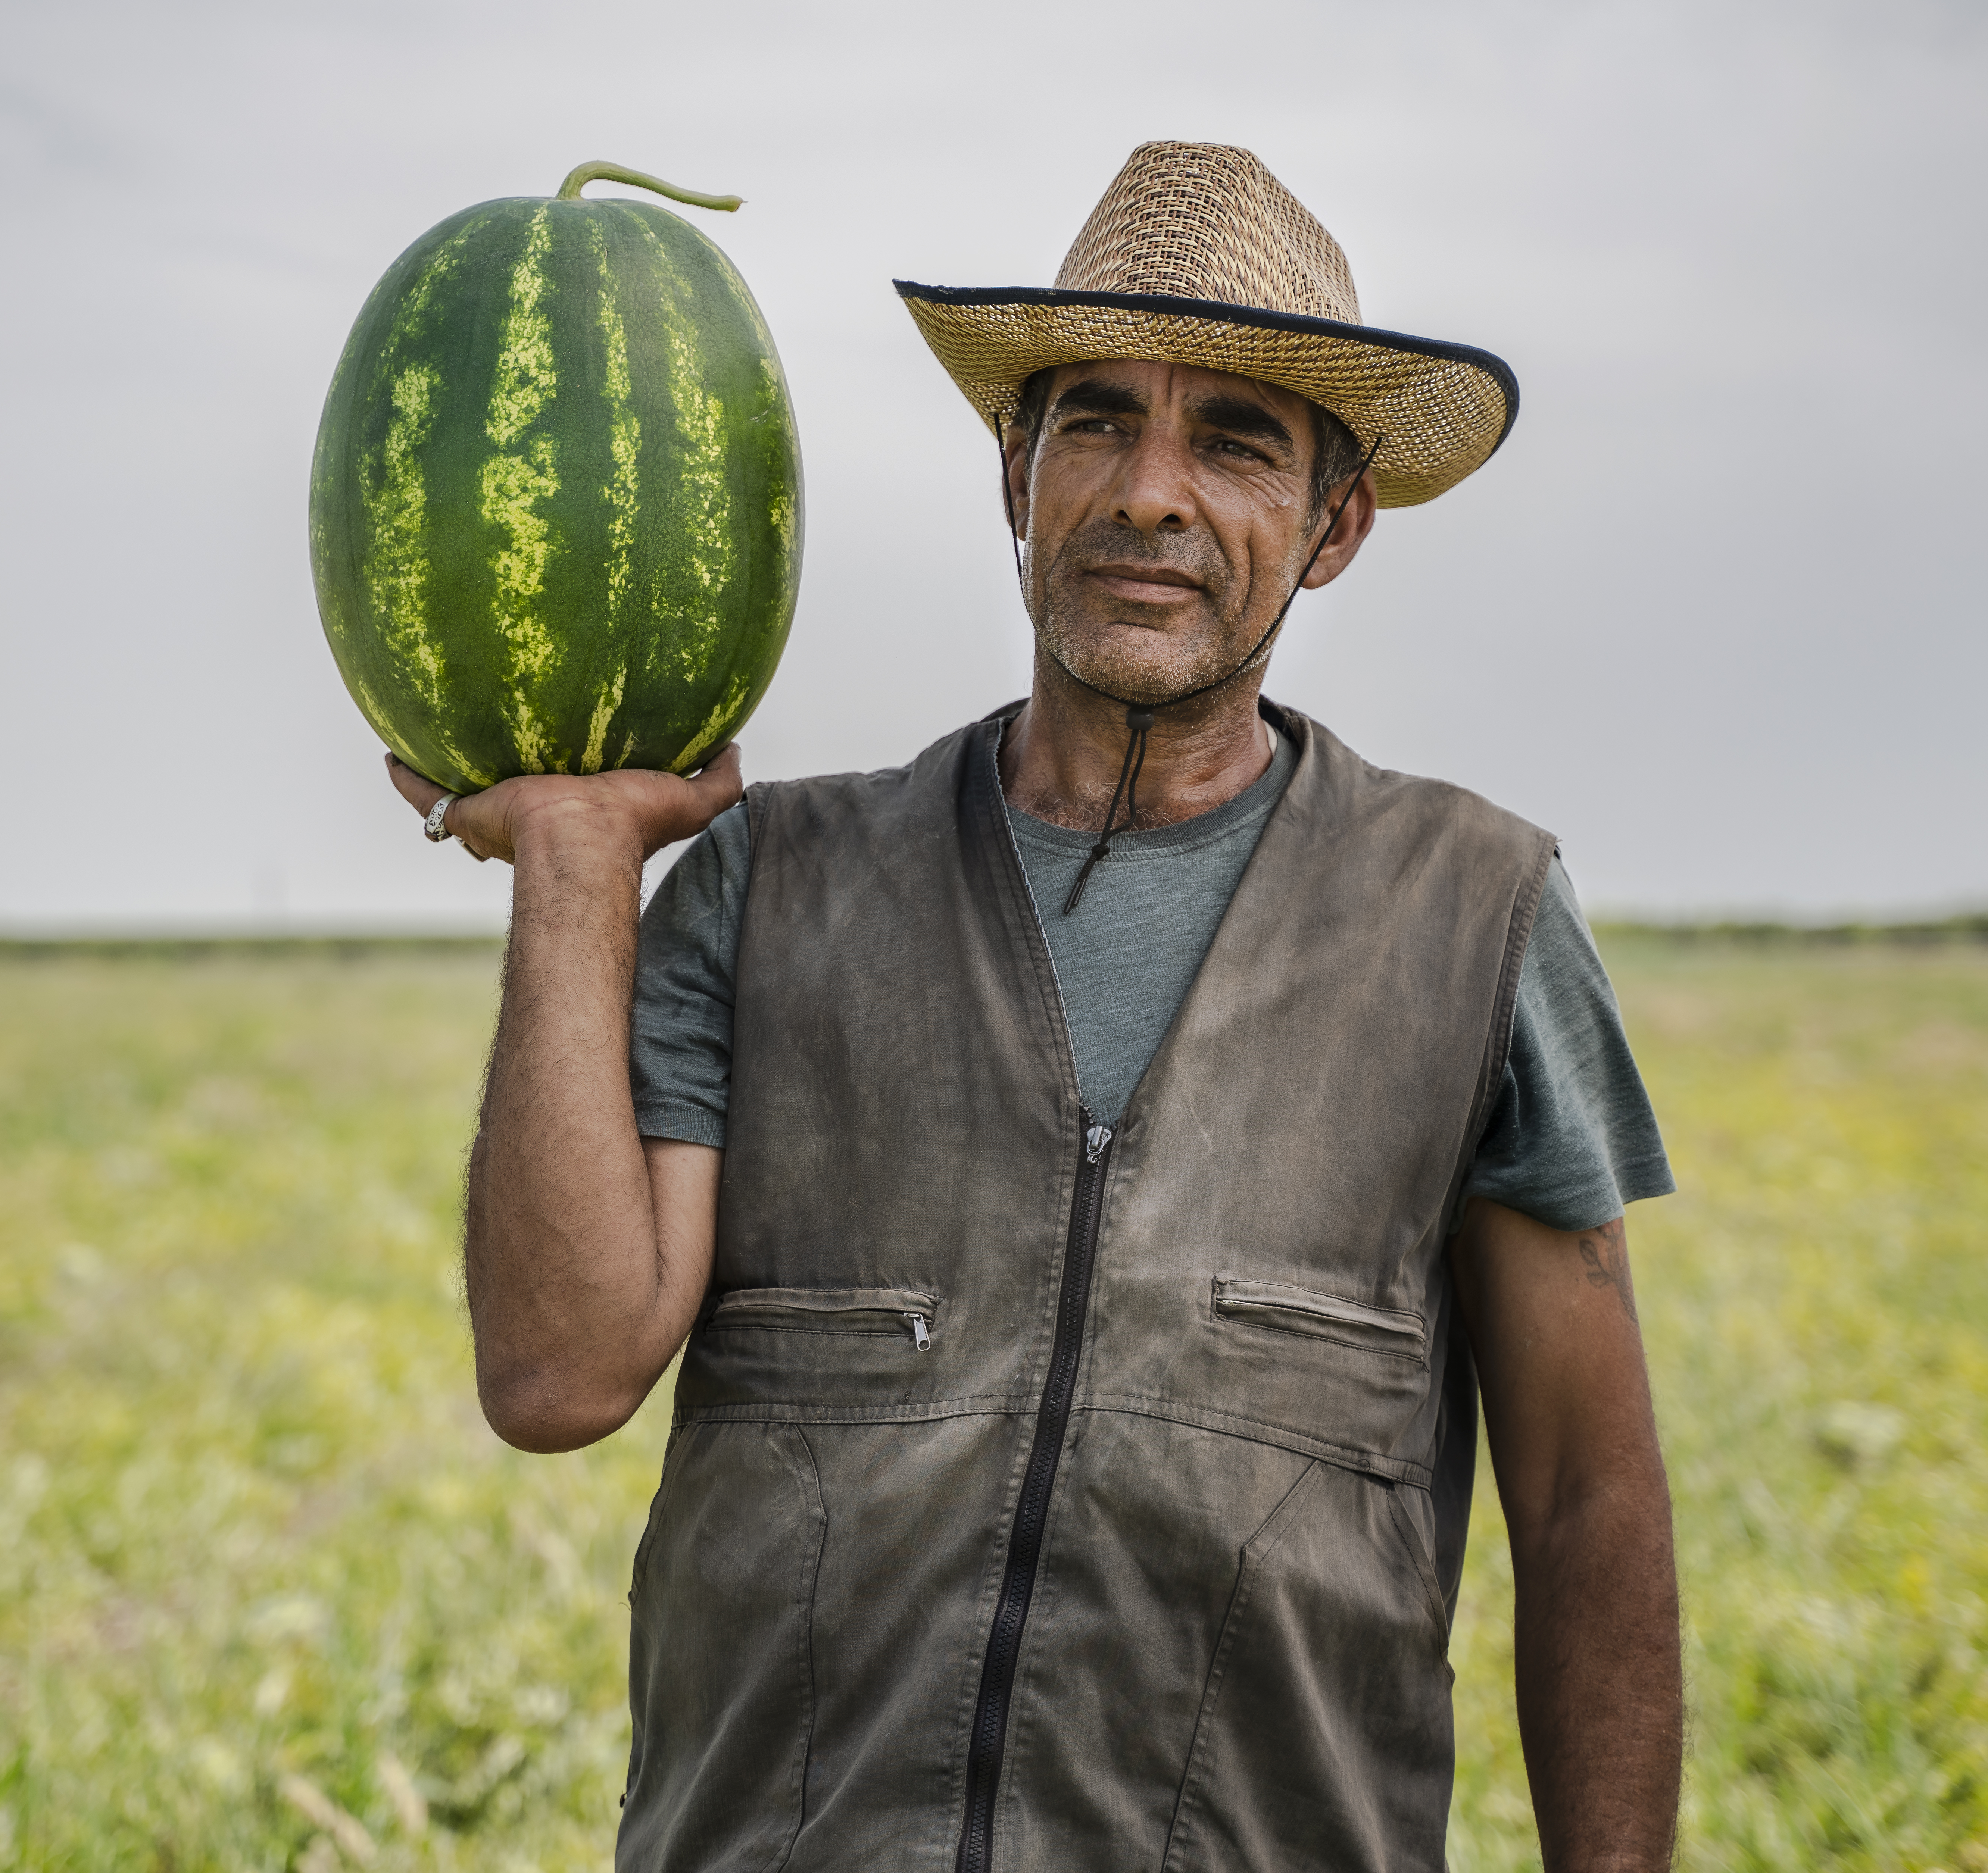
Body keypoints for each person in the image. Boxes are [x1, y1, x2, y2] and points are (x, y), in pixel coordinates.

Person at [386, 142, 1682, 1873]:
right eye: (1094, 423)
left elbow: (1588, 1507)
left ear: (1334, 525)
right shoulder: (774, 888)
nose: (1150, 490)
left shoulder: (1473, 915)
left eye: (1235, 440)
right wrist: (571, 862)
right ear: (1016, 470)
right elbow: (556, 1371)